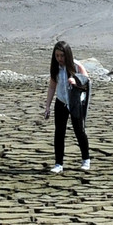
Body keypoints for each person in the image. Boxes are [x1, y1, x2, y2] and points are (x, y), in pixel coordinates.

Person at [43, 40, 91, 173]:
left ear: (67, 55)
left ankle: (86, 159)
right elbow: (52, 87)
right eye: (57, 56)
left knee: (79, 131)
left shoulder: (76, 66)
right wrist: (47, 107)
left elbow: (87, 83)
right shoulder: (55, 67)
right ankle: (58, 164)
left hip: (75, 102)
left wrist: (75, 81)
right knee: (59, 132)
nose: (59, 59)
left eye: (62, 56)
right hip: (61, 102)